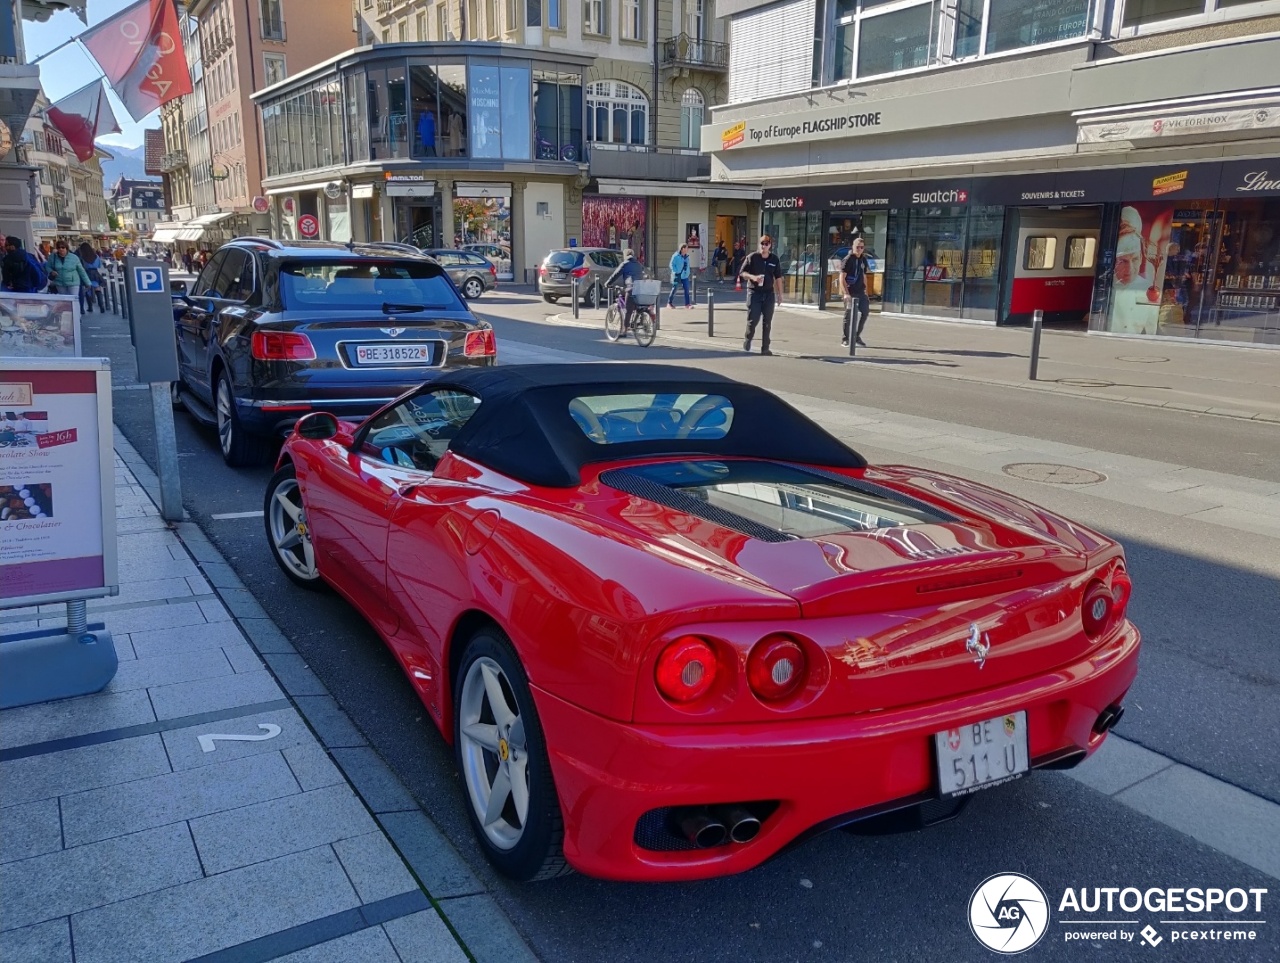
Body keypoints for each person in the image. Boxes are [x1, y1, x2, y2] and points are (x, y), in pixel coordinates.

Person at [740, 235, 783, 355]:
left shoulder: (774, 259)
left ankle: (765, 348)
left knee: (767, 322)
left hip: (769, 293)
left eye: (766, 244)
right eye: (762, 244)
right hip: (754, 293)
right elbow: (742, 273)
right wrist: (753, 277)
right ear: (759, 245)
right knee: (753, 320)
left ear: (770, 245)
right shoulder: (752, 257)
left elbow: (778, 277)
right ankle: (748, 339)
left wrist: (780, 294)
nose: (764, 246)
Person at [841, 237, 871, 347]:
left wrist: (866, 292)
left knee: (865, 313)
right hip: (850, 292)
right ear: (853, 247)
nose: (859, 249)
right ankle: (845, 338)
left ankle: (857, 336)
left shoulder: (863, 259)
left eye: (861, 247)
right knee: (848, 315)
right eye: (857, 247)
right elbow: (842, 277)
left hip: (860, 292)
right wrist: (845, 293)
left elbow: (864, 276)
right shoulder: (848, 259)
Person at [604, 250, 647, 325]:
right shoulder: (639, 264)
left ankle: (625, 330)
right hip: (641, 288)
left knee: (628, 309)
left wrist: (608, 283)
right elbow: (643, 273)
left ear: (625, 256)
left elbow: (615, 274)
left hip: (631, 288)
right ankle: (640, 320)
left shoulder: (625, 264)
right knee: (638, 306)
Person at [77, 242, 107, 314]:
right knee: (97, 289)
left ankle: (90, 307)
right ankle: (101, 305)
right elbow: (99, 265)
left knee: (88, 290)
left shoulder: (82, 257)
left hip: (87, 273)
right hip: (95, 273)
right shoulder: (96, 256)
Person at [667, 244, 692, 309]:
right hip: (677, 275)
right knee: (675, 289)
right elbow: (671, 264)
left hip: (685, 275)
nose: (687, 249)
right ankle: (669, 303)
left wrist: (688, 272)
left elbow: (688, 265)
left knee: (686, 289)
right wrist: (676, 271)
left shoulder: (687, 256)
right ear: (682, 249)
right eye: (686, 248)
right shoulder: (675, 256)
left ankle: (687, 304)